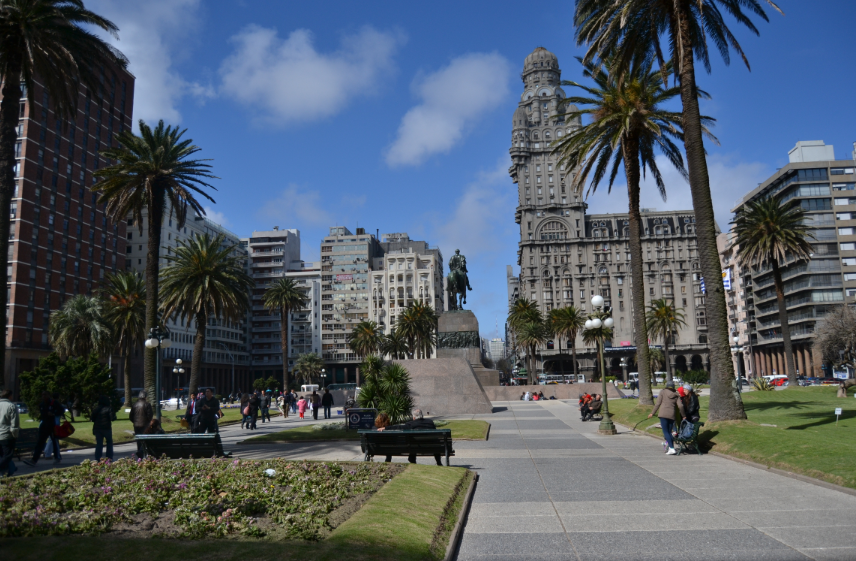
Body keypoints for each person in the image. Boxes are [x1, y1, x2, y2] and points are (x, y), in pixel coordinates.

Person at [378, 409, 444, 466]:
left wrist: (386, 428)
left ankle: (413, 460)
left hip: (416, 447)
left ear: (414, 417)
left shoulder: (411, 424)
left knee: (413, 442)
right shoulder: (430, 422)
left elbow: (398, 427)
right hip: (432, 447)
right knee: (434, 442)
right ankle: (438, 462)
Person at [23, 391, 63, 467]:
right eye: (42, 395)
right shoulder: (42, 404)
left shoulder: (54, 403)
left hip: (52, 426)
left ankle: (57, 457)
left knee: (54, 442)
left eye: (45, 395)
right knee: (40, 443)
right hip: (44, 425)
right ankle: (34, 460)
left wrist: (54, 413)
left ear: (48, 395)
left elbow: (61, 410)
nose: (43, 396)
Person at [648, 381, 687, 455]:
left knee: (665, 432)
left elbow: (658, 403)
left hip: (663, 414)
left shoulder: (662, 392)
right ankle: (670, 448)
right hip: (672, 415)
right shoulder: (676, 394)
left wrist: (652, 413)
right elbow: (680, 406)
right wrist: (683, 415)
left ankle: (672, 448)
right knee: (669, 432)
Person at [0, 389, 20, 477]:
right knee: (7, 456)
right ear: (10, 396)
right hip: (6, 434)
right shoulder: (11, 406)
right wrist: (15, 435)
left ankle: (8, 470)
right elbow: (15, 423)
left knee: (2, 455)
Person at [90, 395, 116, 462]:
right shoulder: (109, 408)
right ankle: (109, 457)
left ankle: (97, 458)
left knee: (99, 443)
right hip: (106, 428)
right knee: (109, 442)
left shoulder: (96, 409)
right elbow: (112, 418)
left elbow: (92, 419)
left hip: (97, 428)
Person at [130, 391, 153, 458]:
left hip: (136, 425)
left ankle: (140, 453)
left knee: (138, 440)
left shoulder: (135, 404)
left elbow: (131, 416)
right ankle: (141, 452)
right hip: (145, 425)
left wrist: (135, 422)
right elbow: (150, 415)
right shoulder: (147, 404)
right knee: (145, 440)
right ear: (145, 397)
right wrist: (148, 422)